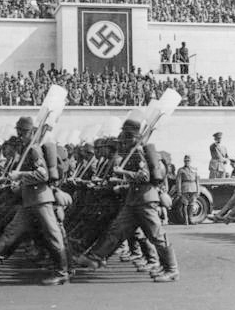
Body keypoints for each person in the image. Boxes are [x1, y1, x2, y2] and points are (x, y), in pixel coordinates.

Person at [0, 116, 70, 285]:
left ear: (31, 132)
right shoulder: (28, 149)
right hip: (30, 201)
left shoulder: (34, 149)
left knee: (53, 236)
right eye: (19, 131)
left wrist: (20, 175)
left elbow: (43, 175)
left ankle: (63, 271)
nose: (20, 135)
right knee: (11, 232)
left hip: (41, 200)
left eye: (24, 131)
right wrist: (18, 184)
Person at [75, 116, 179, 282]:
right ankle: (95, 258)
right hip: (134, 200)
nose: (122, 142)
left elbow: (144, 176)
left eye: (124, 137)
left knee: (156, 235)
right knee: (116, 229)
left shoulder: (139, 151)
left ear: (132, 137)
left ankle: (171, 269)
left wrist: (123, 173)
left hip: (145, 199)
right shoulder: (132, 153)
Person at [176, 155, 201, 225]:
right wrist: (179, 191)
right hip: (185, 188)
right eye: (186, 160)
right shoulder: (181, 170)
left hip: (193, 188)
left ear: (190, 161)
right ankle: (185, 220)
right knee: (185, 205)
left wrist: (198, 190)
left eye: (188, 160)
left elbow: (197, 181)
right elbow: (178, 181)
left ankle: (191, 219)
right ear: (184, 161)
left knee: (192, 204)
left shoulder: (194, 169)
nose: (187, 162)